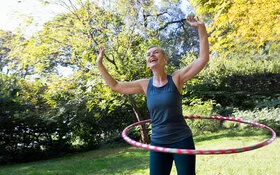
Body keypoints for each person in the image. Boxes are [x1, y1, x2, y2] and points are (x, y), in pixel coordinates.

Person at [96, 16, 209, 175]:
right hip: (158, 142)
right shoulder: (144, 84)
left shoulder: (177, 78)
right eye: (148, 54)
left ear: (165, 59)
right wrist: (99, 64)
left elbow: (203, 59)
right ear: (148, 64)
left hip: (181, 140)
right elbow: (115, 86)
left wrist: (201, 29)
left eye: (156, 52)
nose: (151, 55)